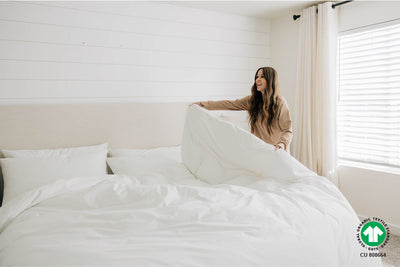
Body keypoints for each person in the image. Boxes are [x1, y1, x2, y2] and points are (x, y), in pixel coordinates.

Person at [192, 67, 292, 152]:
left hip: (277, 150)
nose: (258, 79)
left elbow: (287, 130)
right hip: (260, 150)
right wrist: (203, 104)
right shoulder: (252, 100)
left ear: (270, 80)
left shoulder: (279, 102)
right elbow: (230, 104)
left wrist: (281, 144)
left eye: (262, 77)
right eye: (257, 77)